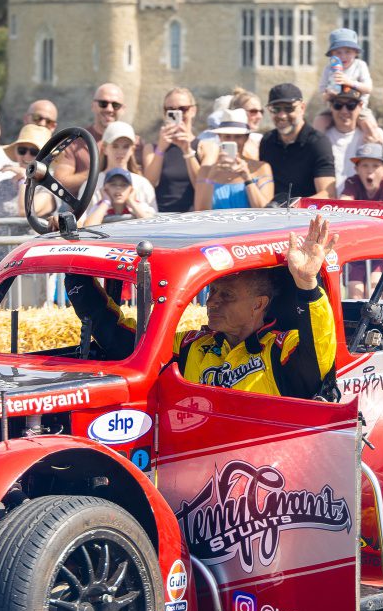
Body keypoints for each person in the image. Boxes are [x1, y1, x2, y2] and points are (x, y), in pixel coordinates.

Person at [67, 215, 339, 399]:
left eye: (227, 296)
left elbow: (319, 352)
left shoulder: (281, 349)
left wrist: (307, 284)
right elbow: (119, 338)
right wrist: (75, 266)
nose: (212, 302)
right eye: (212, 292)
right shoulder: (192, 345)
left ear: (259, 304)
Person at [258, 83, 337, 203]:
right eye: (275, 109)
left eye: (289, 108)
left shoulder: (318, 143)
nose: (282, 115)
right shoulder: (267, 141)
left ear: (302, 108)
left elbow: (328, 194)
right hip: (273, 216)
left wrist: (292, 206)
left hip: (307, 217)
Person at [193, 112, 272, 210]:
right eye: (227, 136)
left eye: (238, 136)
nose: (232, 141)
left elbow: (266, 212)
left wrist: (247, 179)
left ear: (246, 138)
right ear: (219, 137)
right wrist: (211, 177)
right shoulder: (206, 171)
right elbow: (200, 212)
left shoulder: (261, 169)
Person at [142, 87, 200, 214]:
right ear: (164, 113)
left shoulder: (203, 146)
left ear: (193, 111)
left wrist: (187, 151)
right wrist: (161, 149)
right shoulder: (152, 148)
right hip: (161, 218)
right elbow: (150, 184)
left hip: (193, 218)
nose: (177, 114)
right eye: (170, 110)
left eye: (182, 109)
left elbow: (202, 186)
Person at [0, 124, 54, 230]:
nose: (26, 156)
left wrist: (24, 179)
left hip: (30, 246)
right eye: (22, 150)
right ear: (16, 152)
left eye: (34, 152)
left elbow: (25, 211)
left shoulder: (50, 186)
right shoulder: (2, 185)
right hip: (0, 246)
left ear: (45, 157)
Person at [321, 88, 383, 176]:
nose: (344, 111)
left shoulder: (374, 135)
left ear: (360, 106)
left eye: (351, 105)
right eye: (338, 105)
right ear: (331, 106)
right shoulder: (321, 136)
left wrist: (378, 150)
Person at [98, 121, 157, 212]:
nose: (120, 151)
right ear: (104, 148)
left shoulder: (143, 184)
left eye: (126, 146)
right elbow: (81, 222)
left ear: (132, 150)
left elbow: (154, 221)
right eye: (115, 146)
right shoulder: (92, 185)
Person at [84, 169, 158, 224]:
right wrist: (106, 202)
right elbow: (88, 226)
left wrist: (132, 203)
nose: (118, 188)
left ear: (131, 190)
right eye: (113, 184)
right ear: (105, 189)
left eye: (124, 185)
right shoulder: (99, 207)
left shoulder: (140, 206)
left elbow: (152, 225)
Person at [320, 27, 373, 98]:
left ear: (356, 53)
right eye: (338, 53)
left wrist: (349, 82)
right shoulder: (328, 69)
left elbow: (368, 89)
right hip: (335, 107)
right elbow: (322, 92)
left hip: (358, 108)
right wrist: (329, 94)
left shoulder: (360, 65)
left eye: (348, 52)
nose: (343, 56)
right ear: (332, 54)